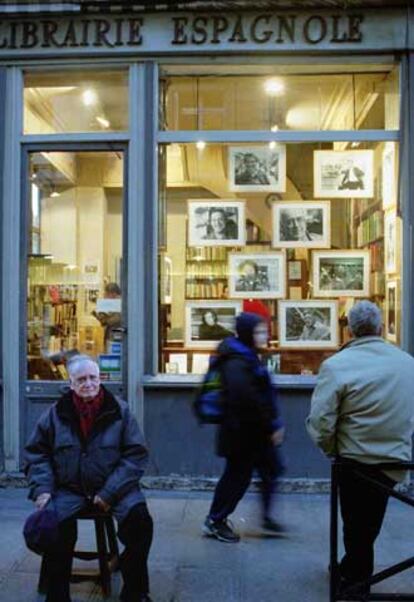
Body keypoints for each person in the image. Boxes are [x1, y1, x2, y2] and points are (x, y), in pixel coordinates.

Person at [306, 301, 414, 597]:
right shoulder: (407, 363)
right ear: (380, 328)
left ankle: (355, 582)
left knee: (355, 525)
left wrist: (330, 449)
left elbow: (321, 421)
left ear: (350, 329)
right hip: (394, 462)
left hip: (354, 461)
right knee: (366, 525)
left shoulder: (336, 365)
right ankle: (352, 573)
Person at [24, 354, 153, 602]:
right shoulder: (54, 414)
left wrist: (109, 493)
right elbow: (36, 454)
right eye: (81, 379)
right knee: (55, 529)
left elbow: (136, 455)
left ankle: (135, 592)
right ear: (70, 383)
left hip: (116, 488)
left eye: (93, 377)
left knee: (140, 524)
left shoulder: (120, 411)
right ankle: (57, 595)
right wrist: (42, 489)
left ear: (100, 378)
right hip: (68, 488)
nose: (89, 384)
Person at [203, 312, 285, 543]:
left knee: (271, 469)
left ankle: (266, 517)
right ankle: (215, 519)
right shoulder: (237, 360)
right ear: (248, 333)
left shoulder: (246, 355)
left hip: (253, 432)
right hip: (242, 433)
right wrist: (271, 426)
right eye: (259, 331)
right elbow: (247, 399)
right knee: (237, 478)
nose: (264, 335)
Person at [92, 282, 122, 350]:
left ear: (113, 294)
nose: (104, 296)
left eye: (106, 294)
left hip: (116, 338)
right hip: (111, 336)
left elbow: (115, 320)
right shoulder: (112, 304)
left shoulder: (119, 304)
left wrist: (104, 319)